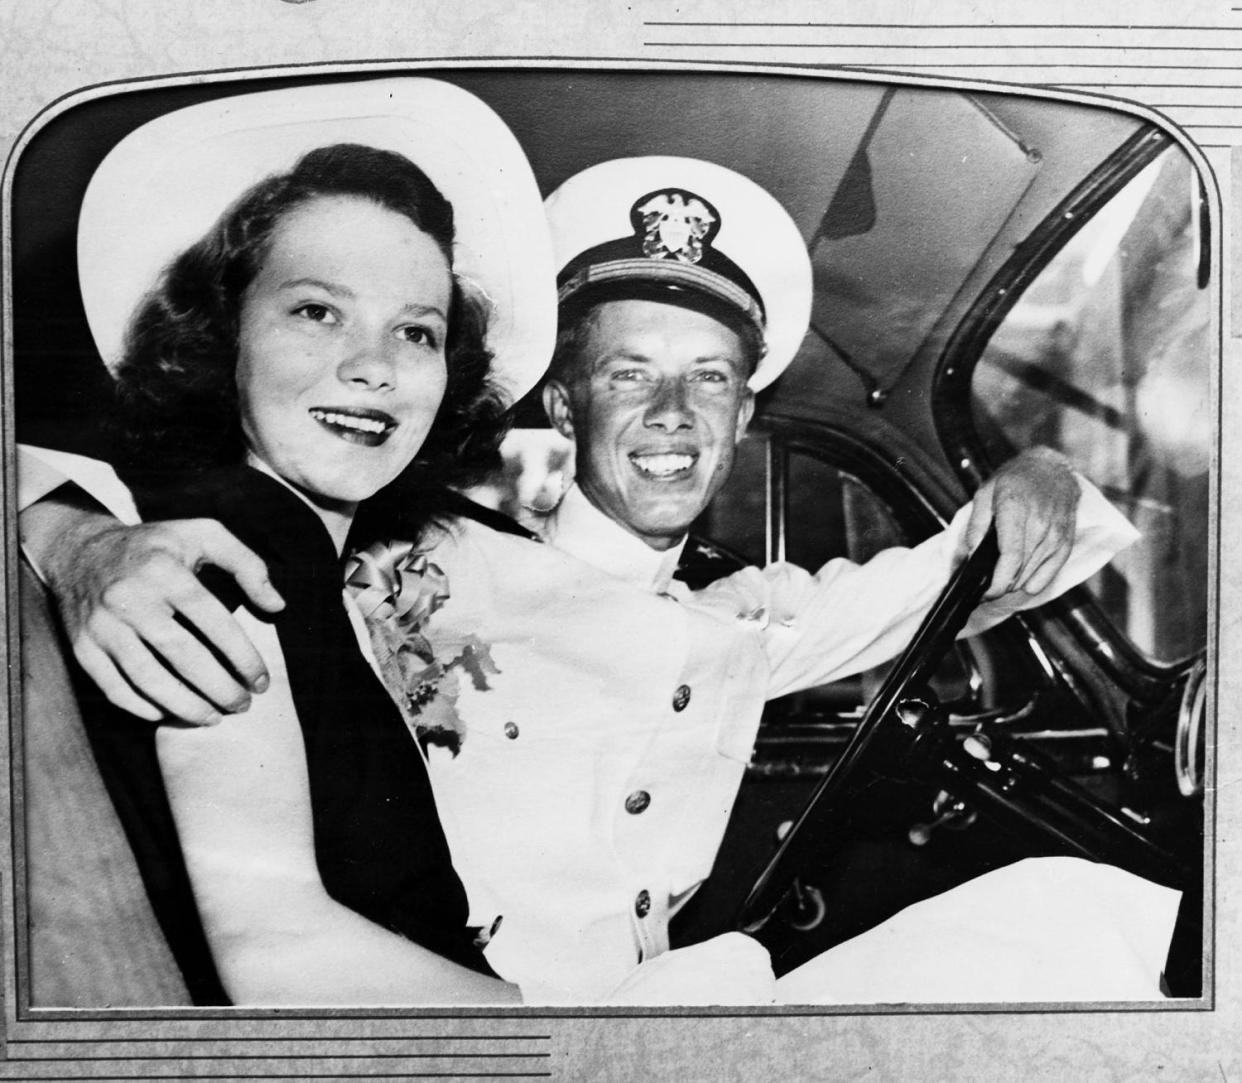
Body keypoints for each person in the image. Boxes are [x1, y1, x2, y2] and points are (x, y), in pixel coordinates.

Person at [20, 152, 1169, 1005]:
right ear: (564, 407)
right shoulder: (397, 546)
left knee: (1084, 914)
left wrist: (1045, 468)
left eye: (710, 380)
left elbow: (974, 571)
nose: (674, 418)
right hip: (453, 1020)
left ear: (742, 422)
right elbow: (168, 488)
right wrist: (70, 534)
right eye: (629, 374)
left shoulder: (747, 620)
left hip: (644, 1013)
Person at [20, 78, 563, 1006]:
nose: (373, 366)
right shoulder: (241, 547)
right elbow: (274, 949)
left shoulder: (298, 556)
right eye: (317, 310)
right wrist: (593, 1035)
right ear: (226, 333)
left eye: (416, 331)